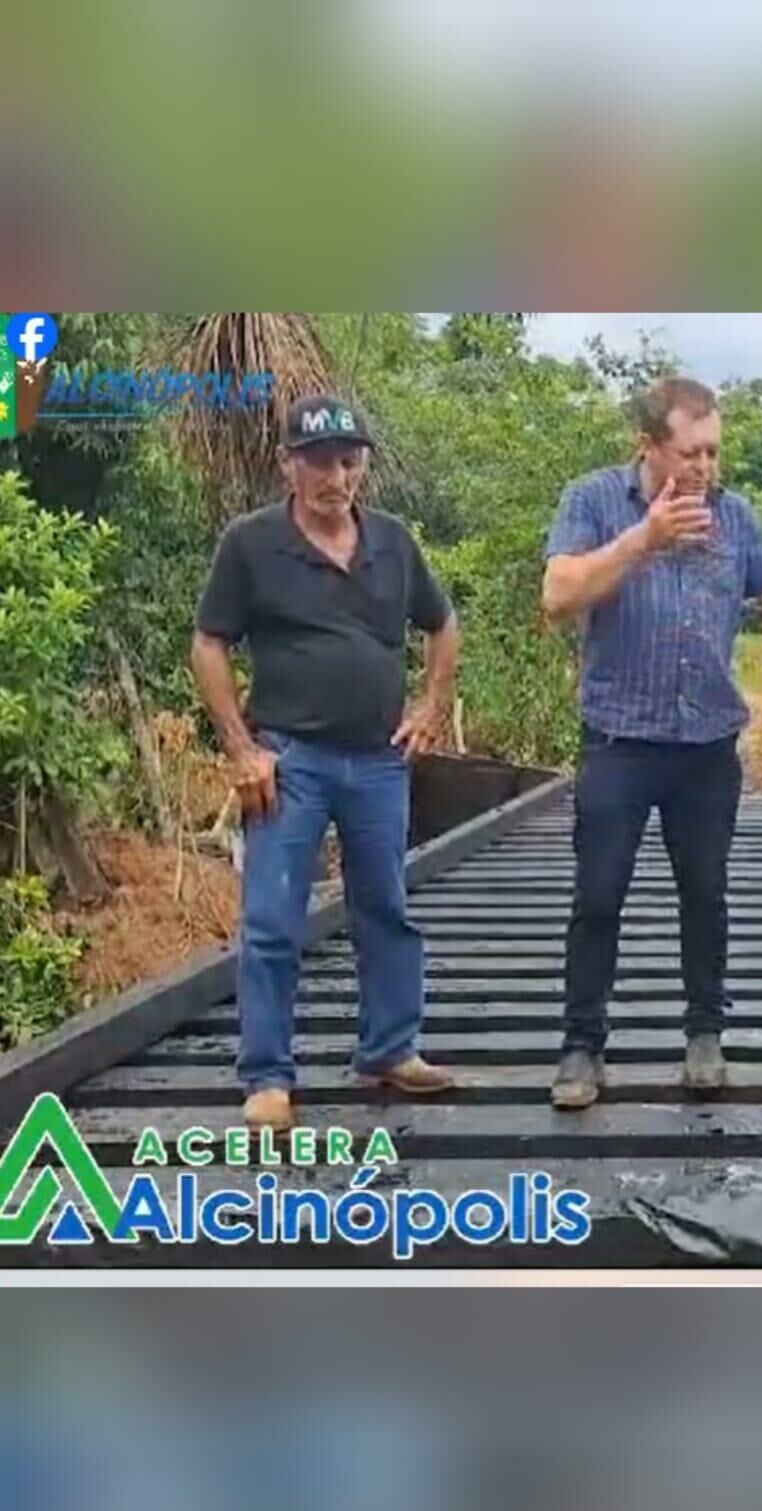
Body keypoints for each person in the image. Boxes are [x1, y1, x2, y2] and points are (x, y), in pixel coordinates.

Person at [541, 375, 762, 1109]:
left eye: (714, 453)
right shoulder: (594, 501)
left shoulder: (735, 516)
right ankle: (581, 1047)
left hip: (706, 748)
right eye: (691, 453)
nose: (706, 468)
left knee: (706, 894)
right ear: (649, 447)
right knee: (598, 895)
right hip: (619, 741)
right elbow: (558, 595)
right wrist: (645, 539)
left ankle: (704, 1034)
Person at [191, 393, 461, 1134]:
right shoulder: (250, 543)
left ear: (362, 467)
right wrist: (241, 748)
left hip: (378, 761)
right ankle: (269, 1077)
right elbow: (210, 643)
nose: (334, 477)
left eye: (348, 462)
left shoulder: (393, 542)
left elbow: (441, 624)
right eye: (318, 462)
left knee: (386, 909)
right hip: (290, 760)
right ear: (289, 465)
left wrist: (430, 706)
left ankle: (389, 1050)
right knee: (274, 917)